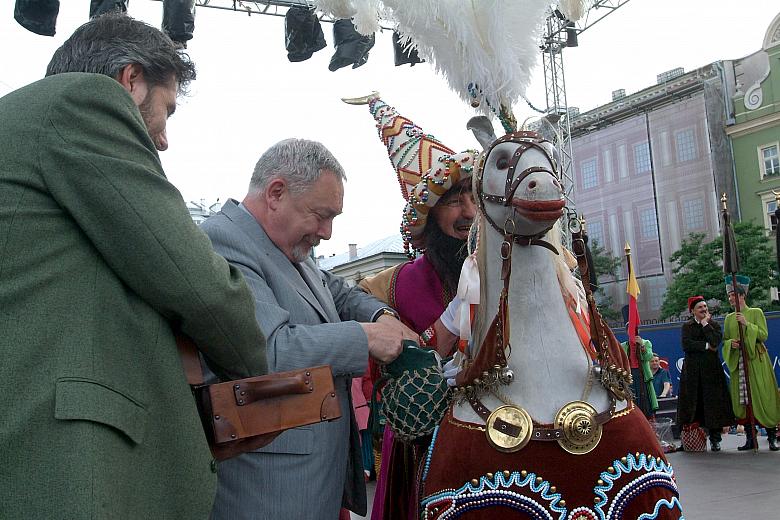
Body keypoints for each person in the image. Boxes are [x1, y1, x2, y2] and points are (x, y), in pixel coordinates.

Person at [0, 13, 269, 519]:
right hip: (68, 470)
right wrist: (255, 374)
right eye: (166, 109)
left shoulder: (26, 126)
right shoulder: (84, 102)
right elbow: (194, 280)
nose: (164, 139)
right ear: (131, 79)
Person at [200, 138, 415, 519]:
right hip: (268, 490)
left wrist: (382, 317)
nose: (328, 232)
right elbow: (268, 349)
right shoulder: (222, 242)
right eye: (320, 215)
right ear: (276, 193)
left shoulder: (288, 247)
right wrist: (366, 337)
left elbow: (339, 293)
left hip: (309, 482)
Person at [351, 96, 478, 520]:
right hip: (422, 446)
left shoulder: (504, 270)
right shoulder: (389, 287)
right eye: (454, 201)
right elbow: (381, 381)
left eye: (474, 198)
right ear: (429, 214)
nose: (470, 213)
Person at [722, 275, 780, 451]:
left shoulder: (756, 312)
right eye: (729, 295)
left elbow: (763, 335)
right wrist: (730, 343)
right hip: (739, 361)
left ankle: (771, 437)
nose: (731, 298)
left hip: (756, 361)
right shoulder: (729, 318)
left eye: (733, 295)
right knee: (744, 399)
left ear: (742, 296)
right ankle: (749, 437)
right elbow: (725, 340)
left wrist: (747, 324)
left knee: (763, 395)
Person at [676, 296, 734, 452]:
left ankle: (715, 440)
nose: (704, 309)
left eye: (705, 307)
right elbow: (687, 344)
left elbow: (716, 341)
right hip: (692, 374)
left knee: (713, 405)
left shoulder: (713, 325)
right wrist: (707, 345)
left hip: (711, 372)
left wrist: (705, 324)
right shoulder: (687, 326)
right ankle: (688, 438)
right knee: (691, 405)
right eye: (700, 307)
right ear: (693, 310)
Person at [620, 326, 658, 418]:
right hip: (629, 375)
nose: (632, 331)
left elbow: (648, 357)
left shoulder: (646, 342)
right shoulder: (623, 346)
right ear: (627, 332)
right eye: (630, 329)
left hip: (642, 374)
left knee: (645, 399)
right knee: (632, 398)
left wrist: (642, 345)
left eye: (634, 329)